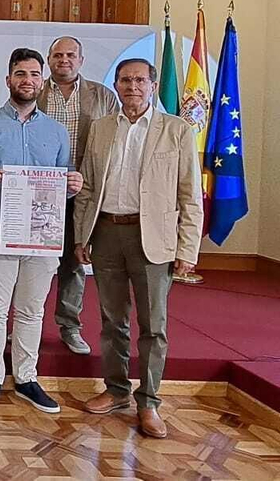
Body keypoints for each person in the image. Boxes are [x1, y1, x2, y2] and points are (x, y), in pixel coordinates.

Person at [74, 58, 202, 439]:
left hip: (154, 240)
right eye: (125, 80)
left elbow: (190, 195)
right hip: (108, 233)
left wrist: (187, 249)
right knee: (112, 321)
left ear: (152, 85)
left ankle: (149, 402)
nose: (132, 86)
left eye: (140, 80)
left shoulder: (176, 130)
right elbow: (88, 187)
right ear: (116, 84)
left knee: (153, 325)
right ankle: (116, 390)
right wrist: (83, 236)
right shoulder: (100, 128)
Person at [0, 48, 84, 415]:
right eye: (19, 74)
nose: (26, 80)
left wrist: (72, 184)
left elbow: (64, 179)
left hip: (41, 236)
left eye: (33, 74)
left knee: (32, 310)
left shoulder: (56, 131)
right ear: (8, 80)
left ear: (42, 81)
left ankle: (27, 377)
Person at [38, 36, 120, 356]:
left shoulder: (102, 96)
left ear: (81, 60)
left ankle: (69, 325)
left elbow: (116, 142)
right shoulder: (35, 92)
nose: (64, 60)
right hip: (41, 191)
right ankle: (25, 322)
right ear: (49, 60)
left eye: (71, 55)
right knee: (34, 261)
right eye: (58, 55)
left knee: (74, 260)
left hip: (84, 192)